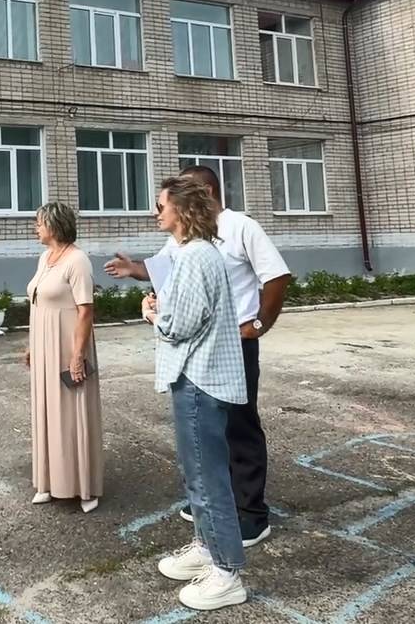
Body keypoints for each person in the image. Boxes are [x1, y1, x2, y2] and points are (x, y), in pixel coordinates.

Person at [107, 165, 292, 546]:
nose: (161, 207)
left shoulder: (240, 227)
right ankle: (212, 501)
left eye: (177, 193)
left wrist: (258, 325)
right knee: (207, 429)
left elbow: (276, 277)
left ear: (204, 192)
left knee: (238, 425)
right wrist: (134, 270)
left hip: (232, 341)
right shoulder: (188, 240)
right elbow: (163, 269)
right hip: (197, 346)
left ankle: (250, 513)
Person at [144, 175, 249, 611]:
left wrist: (153, 314)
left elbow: (181, 325)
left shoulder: (195, 256)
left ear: (183, 210)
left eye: (161, 205)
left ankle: (226, 573)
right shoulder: (196, 253)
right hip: (198, 376)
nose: (156, 212)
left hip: (199, 379)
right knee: (197, 474)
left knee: (207, 478)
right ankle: (207, 549)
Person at [22, 201, 104, 513]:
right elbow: (39, 303)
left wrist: (77, 356)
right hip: (44, 346)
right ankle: (49, 482)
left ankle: (84, 487)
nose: (36, 228)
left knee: (73, 414)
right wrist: (32, 345)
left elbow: (86, 311)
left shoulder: (77, 260)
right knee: (47, 412)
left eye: (39, 222)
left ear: (54, 226)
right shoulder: (45, 258)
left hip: (68, 347)